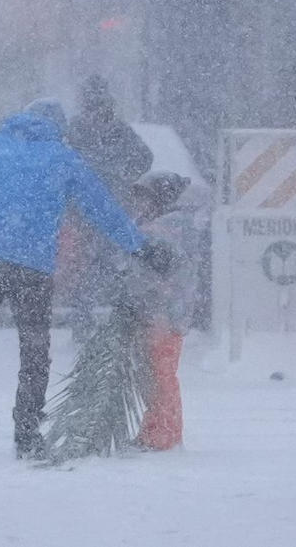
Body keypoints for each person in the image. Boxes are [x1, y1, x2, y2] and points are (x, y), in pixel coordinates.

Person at [0, 98, 172, 461]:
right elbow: (102, 209)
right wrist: (141, 248)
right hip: (31, 264)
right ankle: (27, 435)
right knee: (34, 353)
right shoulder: (63, 158)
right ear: (58, 129)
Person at [65, 75, 154, 341]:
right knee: (110, 263)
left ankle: (84, 323)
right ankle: (116, 322)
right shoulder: (117, 129)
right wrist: (121, 175)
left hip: (82, 208)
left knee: (85, 264)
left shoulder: (76, 129)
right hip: (111, 206)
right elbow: (144, 158)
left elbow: (65, 161)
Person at [124, 172, 198, 452]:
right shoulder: (161, 228)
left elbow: (158, 277)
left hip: (163, 316)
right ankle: (155, 428)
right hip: (158, 313)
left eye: (145, 199)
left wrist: (150, 306)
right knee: (153, 374)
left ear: (161, 200)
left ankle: (164, 433)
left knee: (161, 375)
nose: (139, 205)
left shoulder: (164, 232)